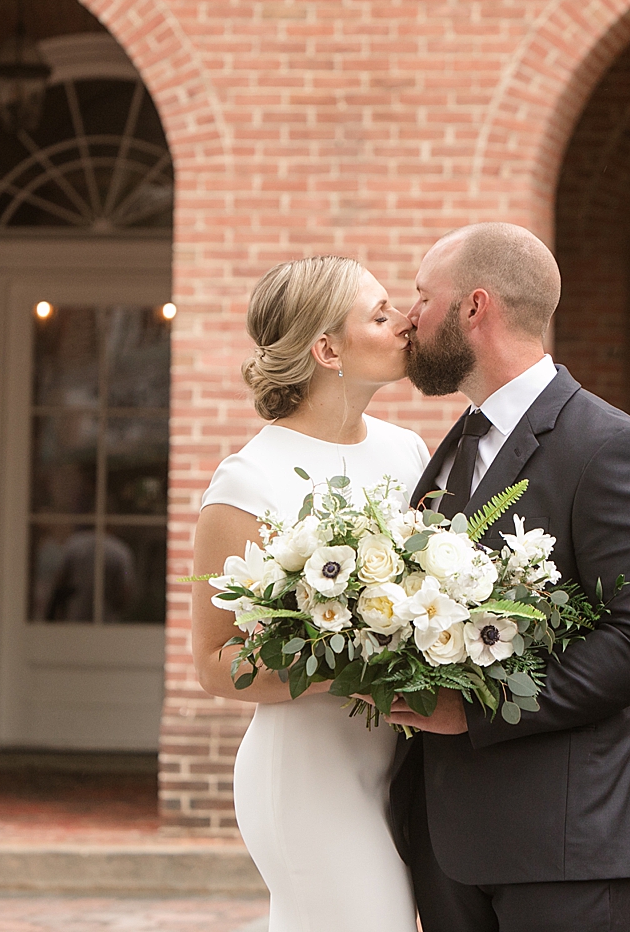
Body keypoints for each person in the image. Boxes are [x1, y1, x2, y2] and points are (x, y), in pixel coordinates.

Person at [389, 222, 630, 932]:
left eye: (422, 297)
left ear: (474, 307)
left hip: (565, 844)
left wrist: (475, 712)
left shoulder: (615, 449)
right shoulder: (453, 447)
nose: (409, 317)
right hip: (447, 843)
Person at [190, 255, 427, 932]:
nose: (405, 321)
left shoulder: (407, 452)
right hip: (307, 775)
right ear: (327, 349)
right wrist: (350, 668)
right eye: (380, 315)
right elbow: (213, 663)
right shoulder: (248, 481)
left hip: (397, 763)